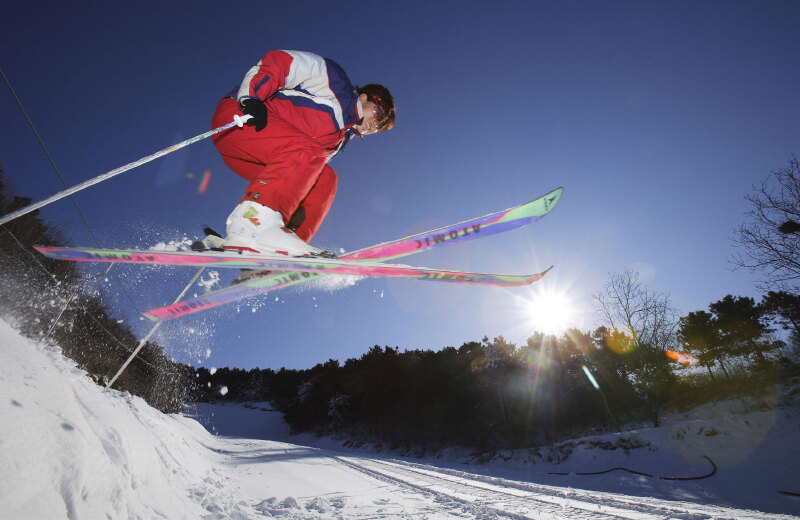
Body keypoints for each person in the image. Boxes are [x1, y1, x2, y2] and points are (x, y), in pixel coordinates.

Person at [210, 49, 395, 257]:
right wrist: (252, 98)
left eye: (380, 126)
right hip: (243, 118)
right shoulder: (336, 85)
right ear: (363, 97)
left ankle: (281, 247)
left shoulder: (337, 141)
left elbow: (294, 185)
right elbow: (283, 61)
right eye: (379, 112)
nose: (375, 124)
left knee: (325, 180)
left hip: (259, 155)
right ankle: (251, 224)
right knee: (309, 152)